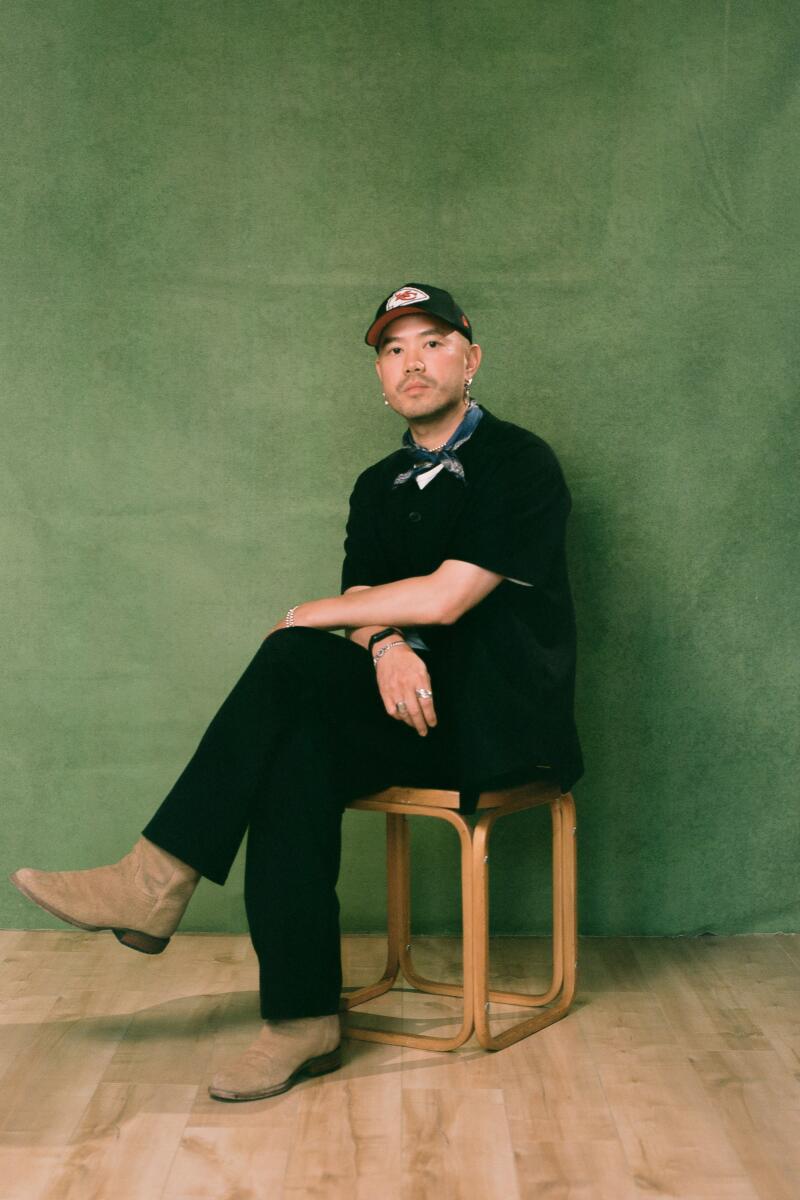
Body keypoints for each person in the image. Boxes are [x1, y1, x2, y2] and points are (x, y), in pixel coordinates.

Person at [11, 282, 583, 1102]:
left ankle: (156, 878)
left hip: (499, 715)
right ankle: (301, 1019)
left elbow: (448, 597)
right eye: (392, 349)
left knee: (288, 654)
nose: (411, 362)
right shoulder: (374, 484)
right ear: (380, 377)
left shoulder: (520, 462)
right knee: (292, 752)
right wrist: (381, 644)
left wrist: (316, 614)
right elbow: (369, 610)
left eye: (430, 342)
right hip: (400, 708)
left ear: (471, 357)